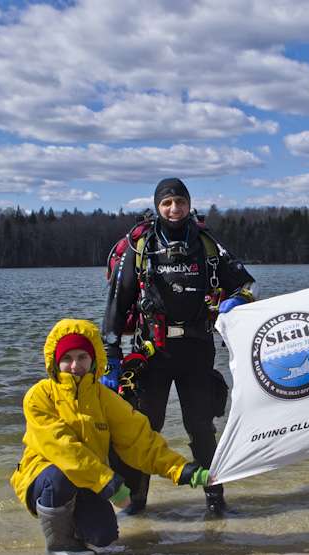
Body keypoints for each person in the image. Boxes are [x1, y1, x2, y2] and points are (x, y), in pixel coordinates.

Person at [101, 177, 256, 516]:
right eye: (167, 203)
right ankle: (136, 503)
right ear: (157, 206)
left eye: (180, 202)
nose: (174, 209)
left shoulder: (207, 244)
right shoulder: (140, 247)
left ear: (189, 204)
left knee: (201, 427)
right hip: (151, 354)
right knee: (143, 428)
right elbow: (116, 302)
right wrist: (111, 356)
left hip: (197, 350)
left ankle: (216, 500)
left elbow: (244, 284)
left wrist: (239, 300)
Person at [10, 319, 209, 555]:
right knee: (58, 476)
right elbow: (65, 448)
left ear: (93, 360)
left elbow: (139, 439)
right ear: (54, 362)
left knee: (104, 536)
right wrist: (109, 484)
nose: (75, 365)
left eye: (82, 357)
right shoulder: (39, 396)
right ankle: (59, 547)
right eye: (67, 358)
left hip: (89, 478)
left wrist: (180, 470)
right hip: (42, 475)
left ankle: (75, 535)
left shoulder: (105, 398)